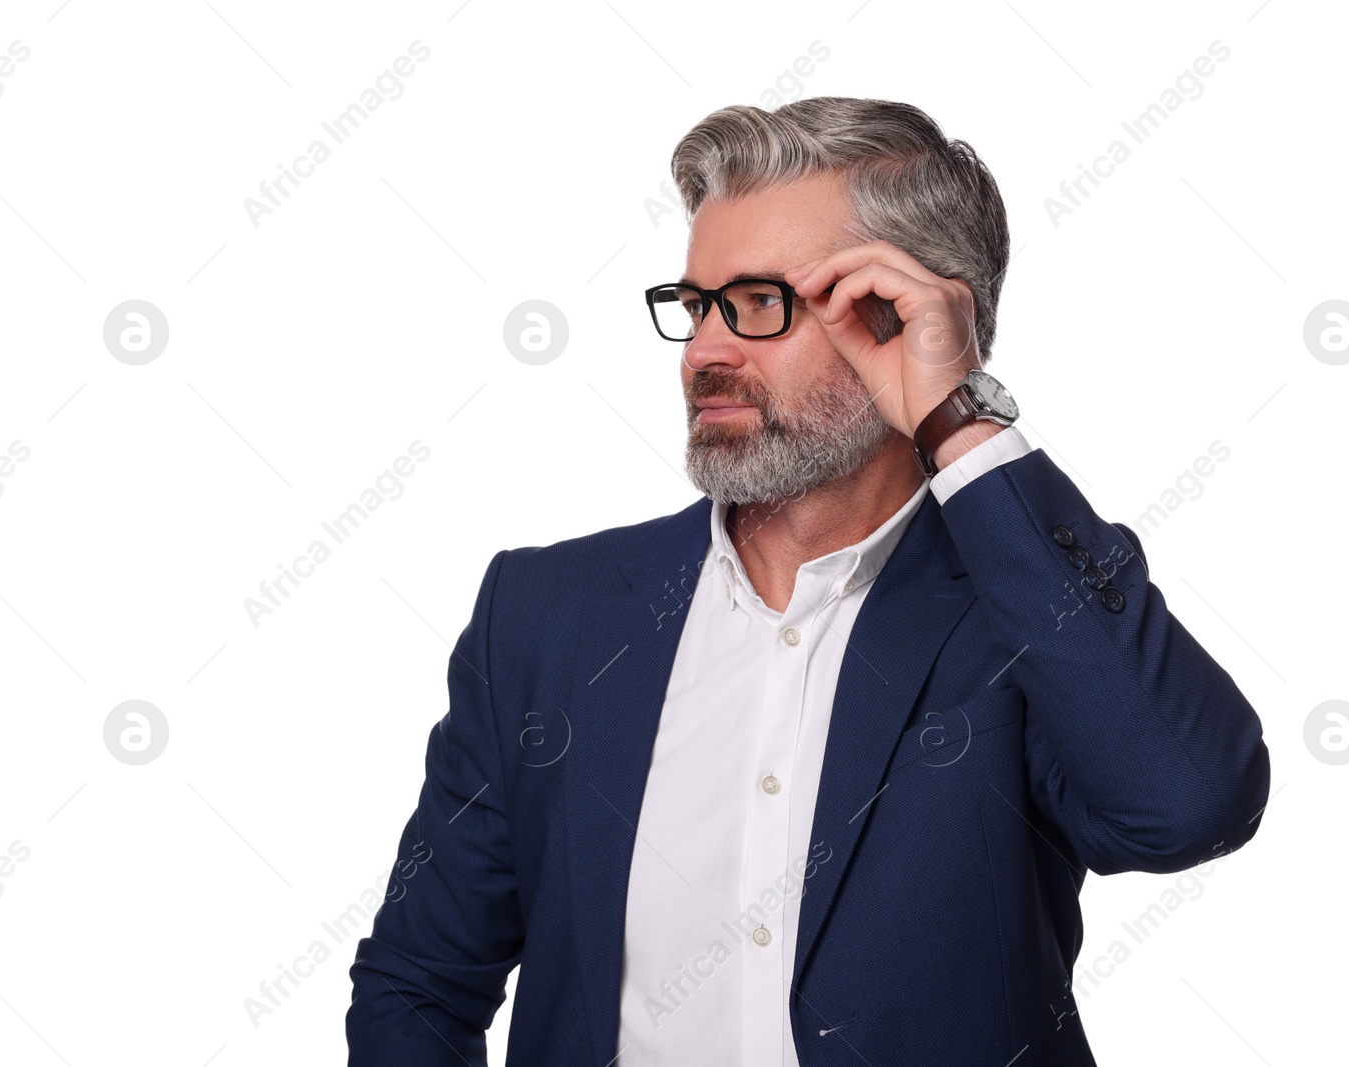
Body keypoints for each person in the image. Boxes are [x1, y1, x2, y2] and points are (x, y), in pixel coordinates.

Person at [346, 96, 1271, 1067]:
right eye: (697, 304)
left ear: (912, 319)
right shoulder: (549, 615)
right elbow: (419, 980)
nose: (705, 350)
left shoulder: (1022, 611)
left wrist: (955, 415)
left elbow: (1188, 807)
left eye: (757, 304)